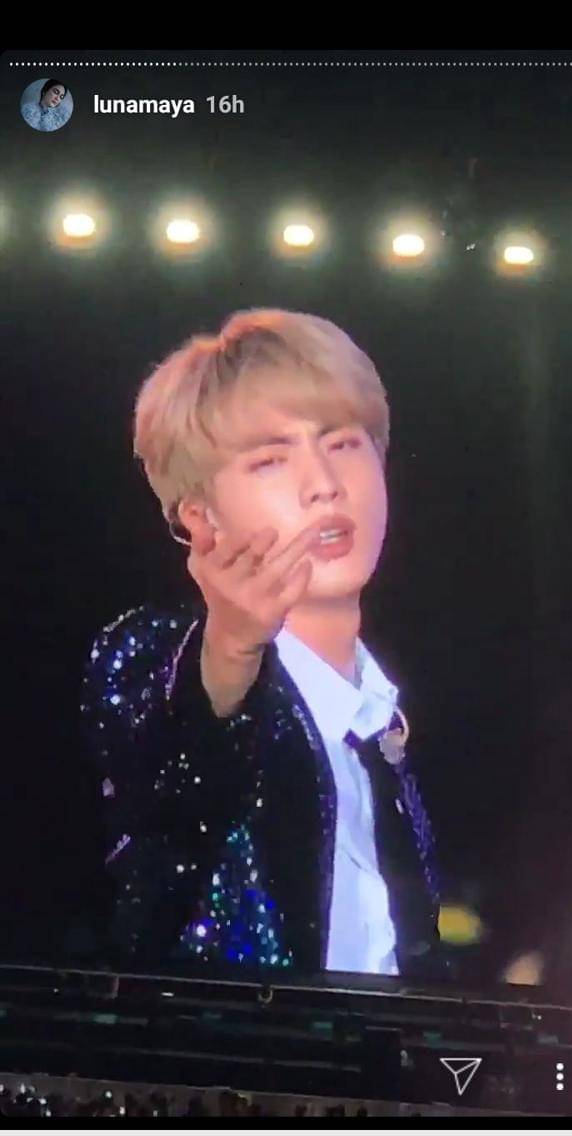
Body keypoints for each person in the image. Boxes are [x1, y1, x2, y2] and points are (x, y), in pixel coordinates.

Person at [81, 309, 444, 980]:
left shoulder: (378, 722)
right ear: (201, 517)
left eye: (343, 443)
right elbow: (176, 784)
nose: (324, 484)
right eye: (271, 460)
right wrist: (231, 648)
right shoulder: (156, 655)